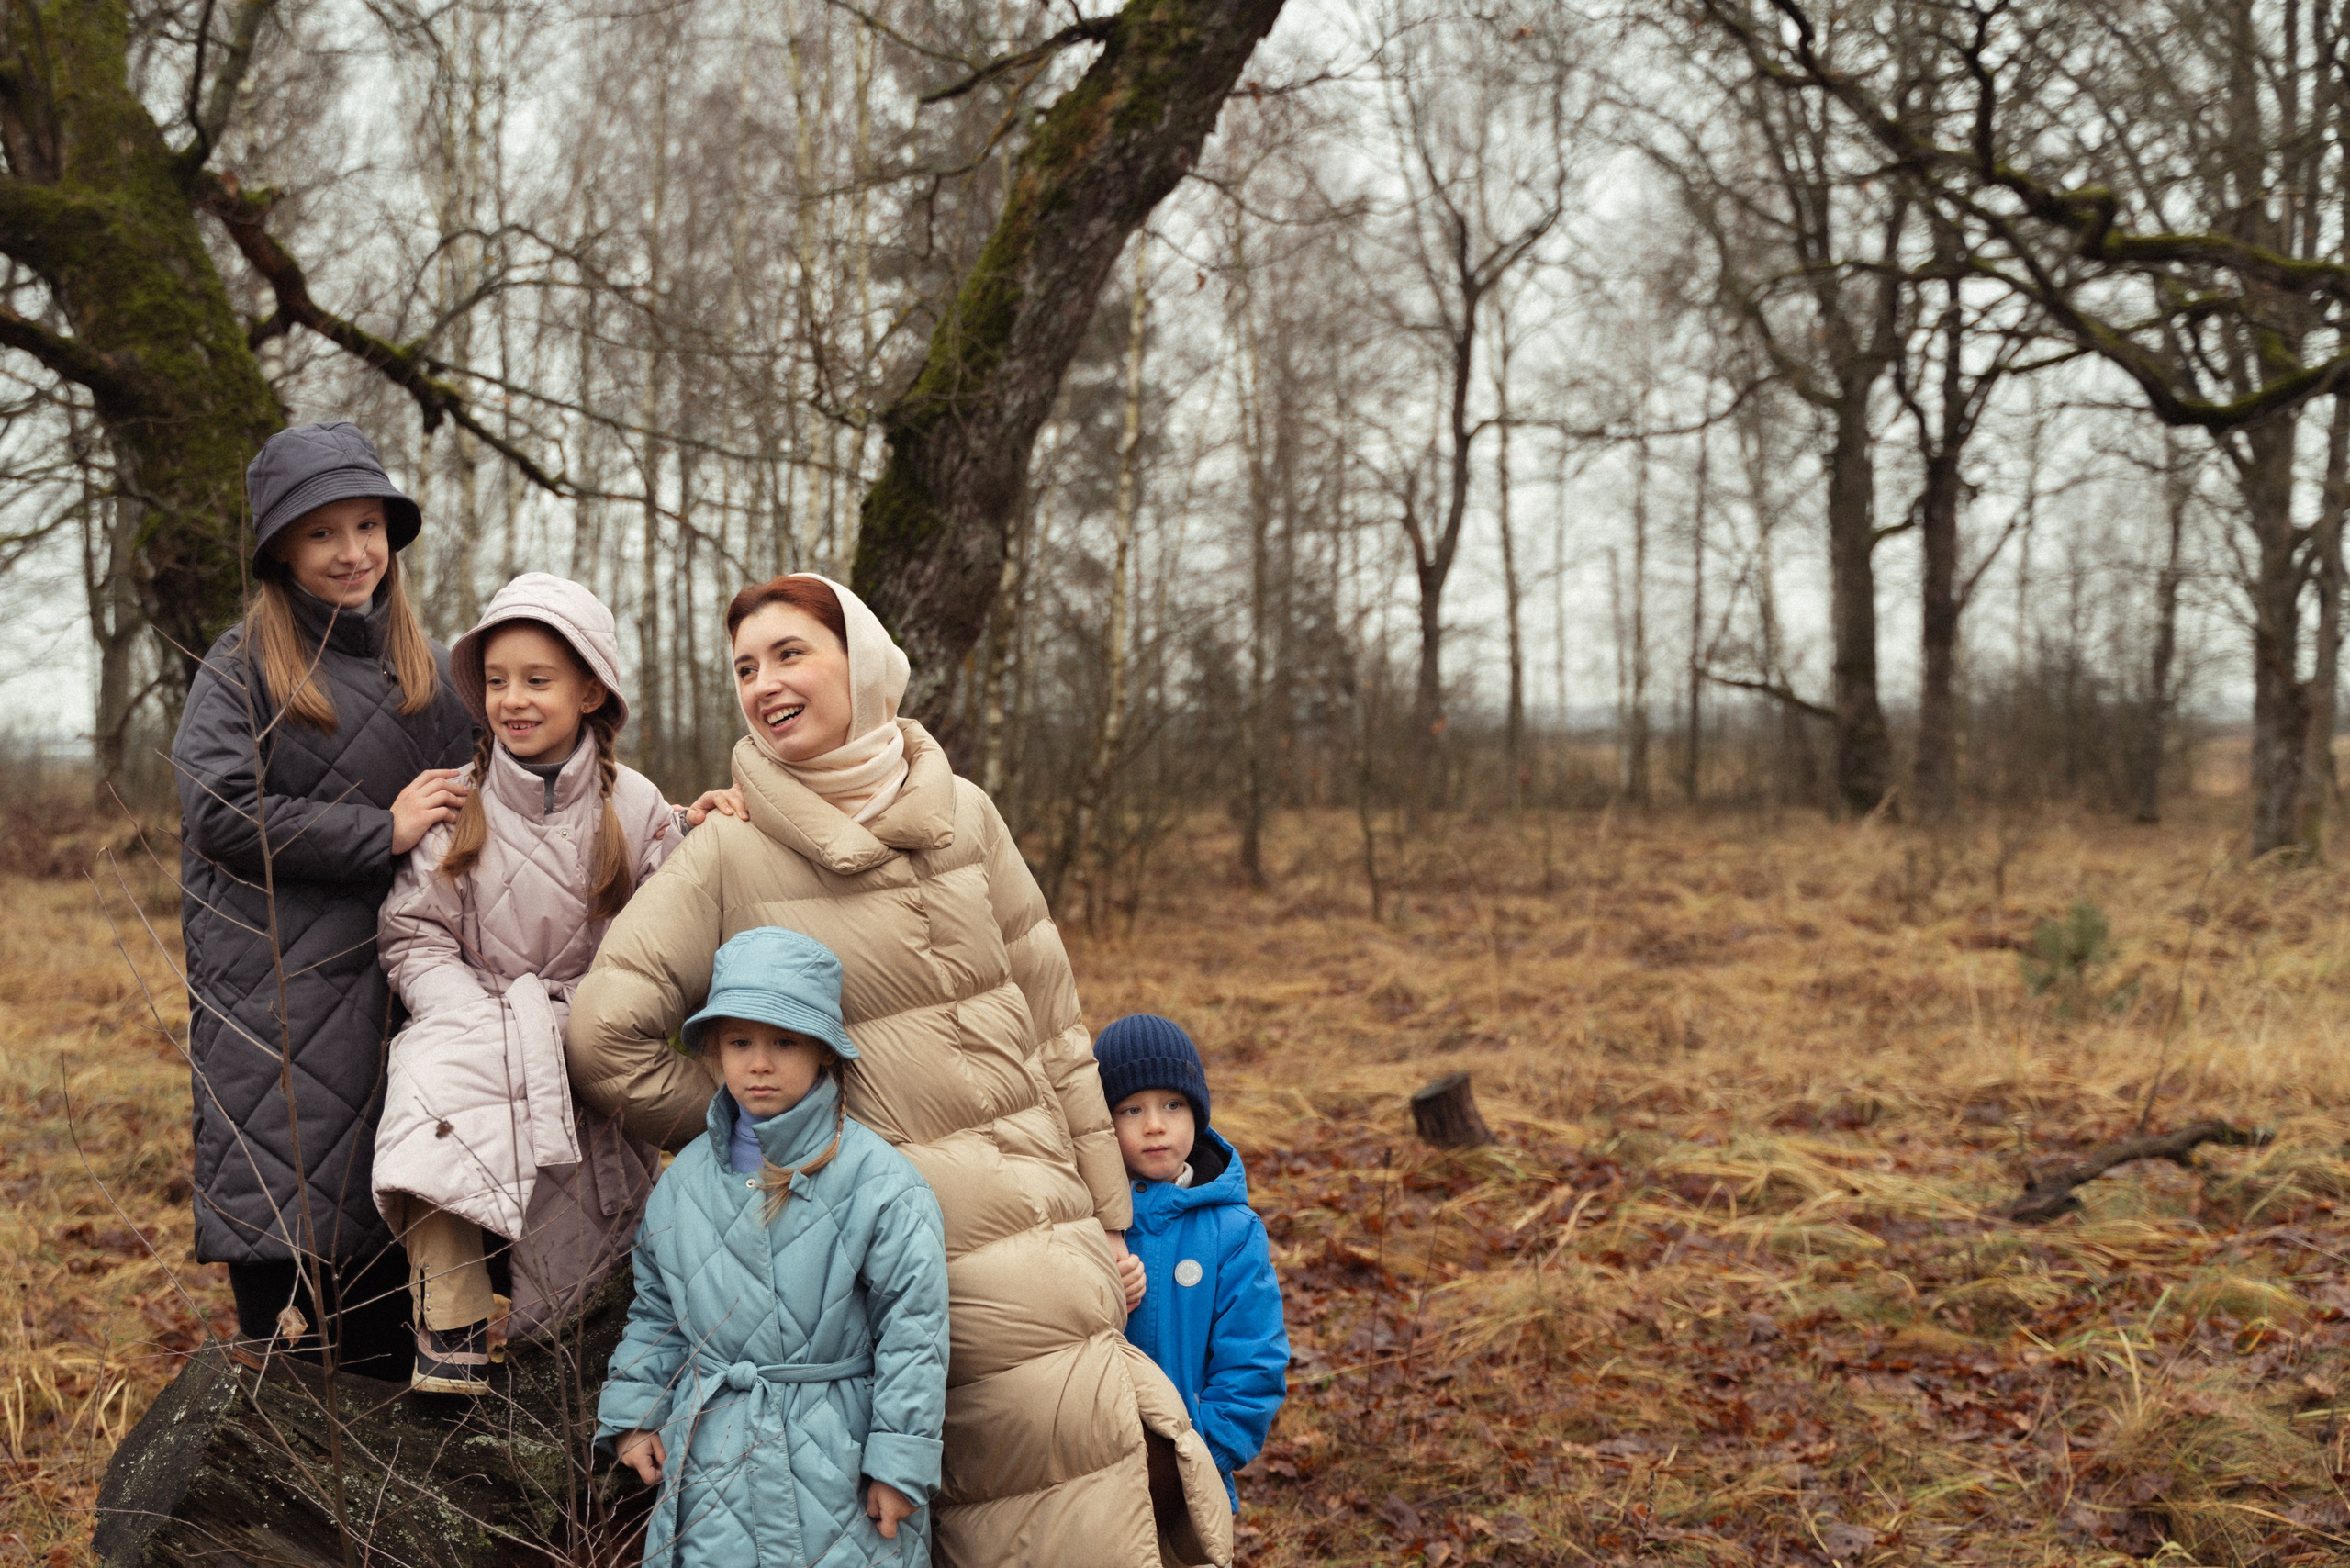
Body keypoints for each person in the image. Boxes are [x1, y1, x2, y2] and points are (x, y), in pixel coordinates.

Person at [568, 574, 1235, 1567]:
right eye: (745, 666)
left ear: (865, 662)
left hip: (1056, 1232)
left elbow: (1053, 1022)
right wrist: (774, 1141)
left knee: (1088, 1492)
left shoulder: (964, 811)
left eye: (790, 652)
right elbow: (604, 1034)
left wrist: (1108, 1209)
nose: (763, 682)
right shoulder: (730, 852)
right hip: (898, 1251)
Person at [174, 421, 476, 1378]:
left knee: (387, 1270)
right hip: (274, 1001)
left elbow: (513, 790)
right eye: (322, 533)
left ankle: (389, 1506)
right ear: (280, 550)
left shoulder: (428, 672)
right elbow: (220, 809)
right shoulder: (240, 665)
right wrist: (375, 832)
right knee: (286, 1283)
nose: (352, 552)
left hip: (398, 991)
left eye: (367, 526)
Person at [373, 573, 682, 1393]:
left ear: (589, 692)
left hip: (592, 1023)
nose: (515, 700)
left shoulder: (638, 808)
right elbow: (414, 934)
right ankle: (453, 1323)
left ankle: (565, 1349)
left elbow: (670, 942)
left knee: (588, 1160)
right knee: (427, 1083)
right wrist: (473, 1017)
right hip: (478, 1017)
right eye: (498, 681)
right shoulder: (458, 803)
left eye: (538, 681)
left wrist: (598, 1015)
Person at [597, 925, 949, 1568]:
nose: (759, 1063)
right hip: (712, 1459)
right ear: (715, 1050)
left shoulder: (879, 1181)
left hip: (837, 1457)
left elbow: (914, 1330)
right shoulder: (684, 1183)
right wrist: (635, 1411)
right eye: (740, 1042)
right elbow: (656, 1311)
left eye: (784, 1041)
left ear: (822, 1051)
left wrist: (900, 1463)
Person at [1093, 1014, 1289, 1515]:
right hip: (1090, 1476)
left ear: (1196, 1113)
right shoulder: (1083, 1217)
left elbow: (1254, 1359)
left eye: (1172, 1105)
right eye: (1131, 1109)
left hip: (1190, 1479)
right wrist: (1097, 1286)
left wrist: (1205, 1453)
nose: (1155, 1125)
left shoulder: (1233, 1231)